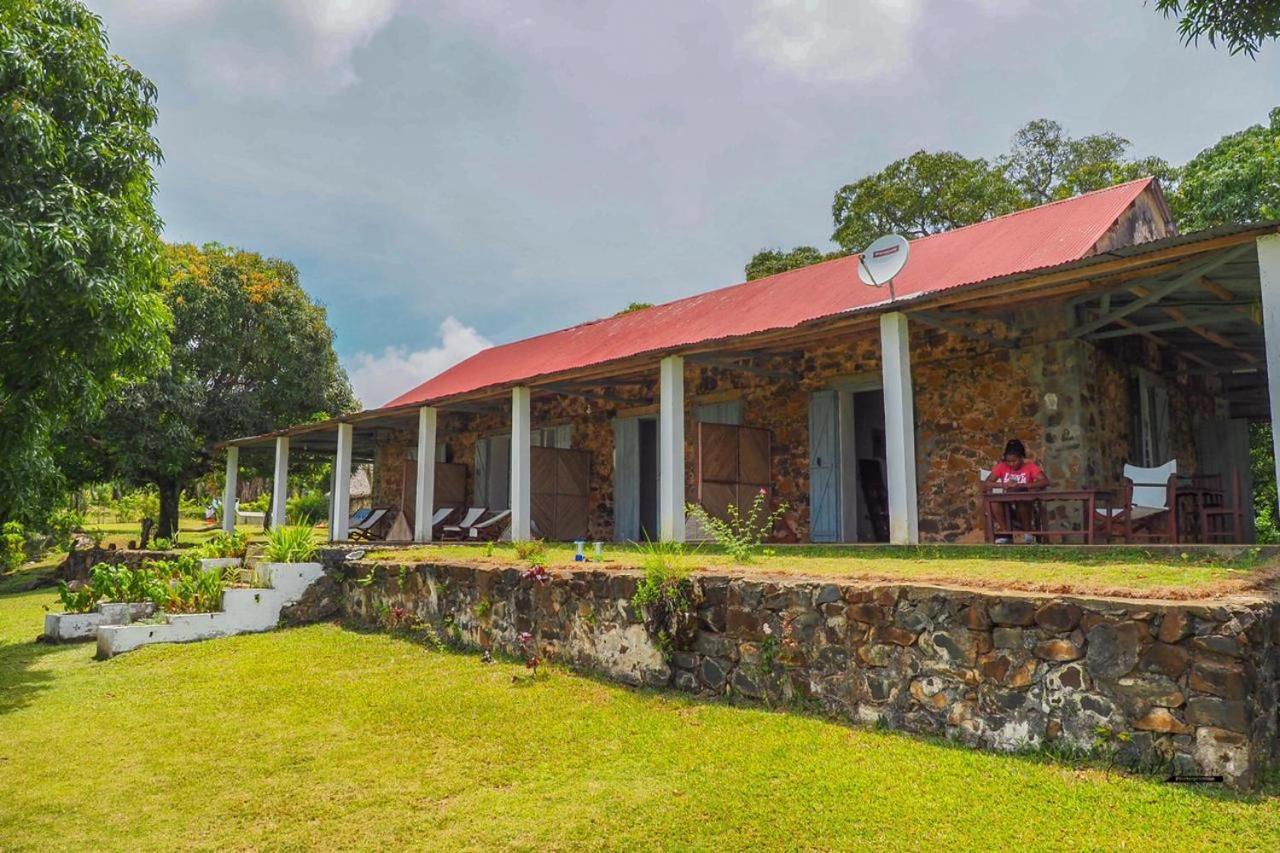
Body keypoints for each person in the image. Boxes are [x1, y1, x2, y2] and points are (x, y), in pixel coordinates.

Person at [985, 439, 1048, 544]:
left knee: (1021, 499)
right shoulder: (1001, 466)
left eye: (1014, 461)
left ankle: (1028, 534)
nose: (1011, 464)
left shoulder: (1030, 467)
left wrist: (1024, 485)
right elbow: (987, 483)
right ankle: (1006, 534)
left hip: (1025, 506)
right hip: (1007, 506)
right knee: (995, 502)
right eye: (1008, 461)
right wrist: (1003, 485)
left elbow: (1045, 481)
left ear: (1021, 457)